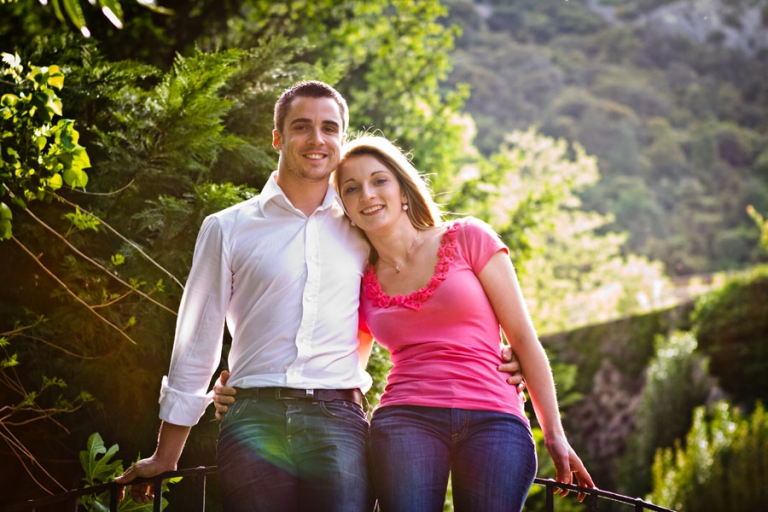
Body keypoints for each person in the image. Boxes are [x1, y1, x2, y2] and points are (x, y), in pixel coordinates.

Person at [115, 81, 524, 512]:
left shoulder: (363, 228)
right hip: (253, 416)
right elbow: (197, 340)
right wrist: (167, 455)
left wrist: (495, 352)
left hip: (338, 418)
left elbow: (398, 301)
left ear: (341, 140)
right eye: (301, 127)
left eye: (329, 128)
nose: (316, 139)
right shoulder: (227, 228)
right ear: (277, 137)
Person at [215, 134, 595, 511]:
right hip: (405, 420)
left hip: (494, 417)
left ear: (403, 189)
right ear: (342, 206)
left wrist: (555, 436)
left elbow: (525, 340)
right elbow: (335, 361)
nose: (367, 195)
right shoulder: (357, 276)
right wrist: (249, 381)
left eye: (379, 180)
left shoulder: (468, 238)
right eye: (351, 189)